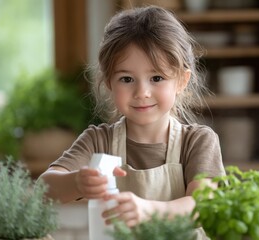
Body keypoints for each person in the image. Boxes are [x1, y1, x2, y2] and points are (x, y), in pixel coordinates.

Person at [38, 4, 225, 237]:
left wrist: (148, 211)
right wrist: (76, 183)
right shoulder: (98, 141)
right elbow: (44, 188)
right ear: (109, 82)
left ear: (181, 81)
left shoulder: (197, 141)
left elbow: (202, 207)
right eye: (126, 79)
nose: (142, 92)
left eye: (156, 77)